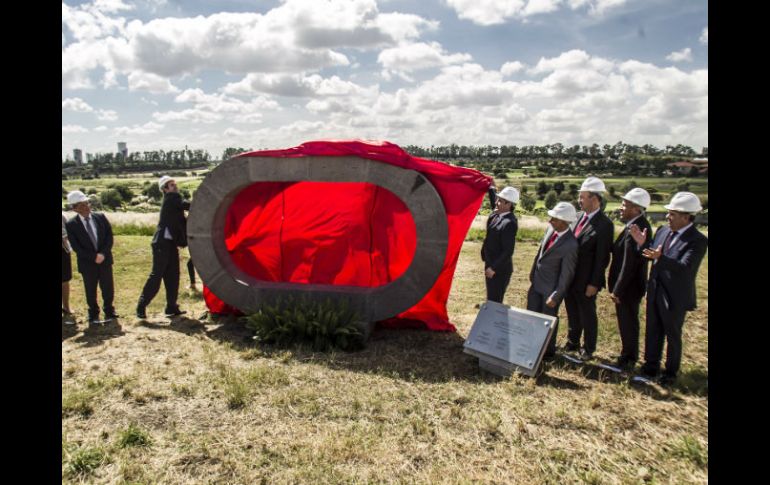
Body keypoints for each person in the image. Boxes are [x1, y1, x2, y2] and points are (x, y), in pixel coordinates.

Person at [630, 192, 708, 386]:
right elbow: (653, 253)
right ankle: (650, 366)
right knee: (653, 329)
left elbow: (685, 267)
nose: (668, 217)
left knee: (672, 334)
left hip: (675, 296)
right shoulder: (663, 231)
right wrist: (642, 244)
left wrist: (660, 258)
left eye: (672, 214)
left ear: (686, 216)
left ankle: (670, 372)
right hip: (656, 289)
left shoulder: (697, 240)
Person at [564, 176, 614, 360]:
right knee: (572, 310)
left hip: (587, 280)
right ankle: (573, 341)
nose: (579, 200)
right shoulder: (577, 218)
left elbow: (602, 258)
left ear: (595, 199)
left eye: (583, 197)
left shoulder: (605, 225)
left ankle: (589, 347)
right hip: (571, 276)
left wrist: (594, 283)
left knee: (587, 314)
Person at [527, 202, 578, 360]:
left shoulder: (571, 244)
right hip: (536, 284)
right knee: (531, 316)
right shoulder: (550, 230)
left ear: (564, 221)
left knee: (547, 321)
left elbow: (567, 274)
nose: (550, 221)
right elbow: (540, 254)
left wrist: (556, 295)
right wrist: (532, 276)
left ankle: (547, 353)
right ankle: (530, 347)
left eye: (554, 219)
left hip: (550, 290)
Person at [607, 188, 653, 369]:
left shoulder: (638, 227)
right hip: (628, 286)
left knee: (628, 321)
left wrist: (618, 289)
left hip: (629, 287)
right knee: (625, 320)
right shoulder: (633, 225)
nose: (620, 208)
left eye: (624, 205)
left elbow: (629, 263)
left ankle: (629, 356)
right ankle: (627, 352)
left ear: (636, 209)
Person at [136, 176, 191, 319]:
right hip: (162, 243)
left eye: (175, 184)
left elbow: (181, 221)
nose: (175, 187)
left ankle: (171, 307)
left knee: (173, 275)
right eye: (172, 185)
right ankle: (141, 306)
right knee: (157, 275)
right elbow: (188, 205)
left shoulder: (173, 202)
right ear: (165, 190)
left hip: (170, 244)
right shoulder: (172, 198)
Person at [65, 191, 118, 326]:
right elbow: (76, 247)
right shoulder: (71, 225)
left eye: (87, 203)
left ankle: (109, 311)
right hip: (87, 263)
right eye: (81, 205)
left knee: (108, 287)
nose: (86, 207)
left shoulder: (100, 217)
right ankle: (93, 313)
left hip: (105, 259)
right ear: (74, 208)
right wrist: (94, 257)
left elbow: (109, 237)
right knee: (90, 289)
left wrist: (103, 254)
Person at [480, 186, 519, 303]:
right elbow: (494, 203)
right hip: (490, 263)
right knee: (490, 298)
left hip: (499, 271)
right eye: (497, 199)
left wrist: (493, 268)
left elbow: (508, 251)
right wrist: (490, 188)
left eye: (500, 201)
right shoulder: (496, 215)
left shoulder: (509, 223)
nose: (496, 203)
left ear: (509, 204)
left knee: (495, 301)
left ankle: (496, 321)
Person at [62, 213, 75, 324]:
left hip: (63, 250)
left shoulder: (62, 216)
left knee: (65, 280)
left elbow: (69, 231)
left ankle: (66, 306)